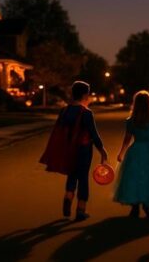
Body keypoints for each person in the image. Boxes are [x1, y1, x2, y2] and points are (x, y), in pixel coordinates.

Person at [113, 91, 149, 218]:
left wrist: (121, 152)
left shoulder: (131, 121)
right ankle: (147, 205)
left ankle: (135, 207)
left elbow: (127, 139)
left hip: (135, 152)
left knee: (133, 178)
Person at [60, 81, 108, 221]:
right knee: (83, 178)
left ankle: (68, 196)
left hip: (69, 148)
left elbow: (61, 131)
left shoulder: (65, 111)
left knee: (71, 174)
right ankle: (81, 210)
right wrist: (102, 150)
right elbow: (94, 134)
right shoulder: (86, 113)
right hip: (83, 149)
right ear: (84, 94)